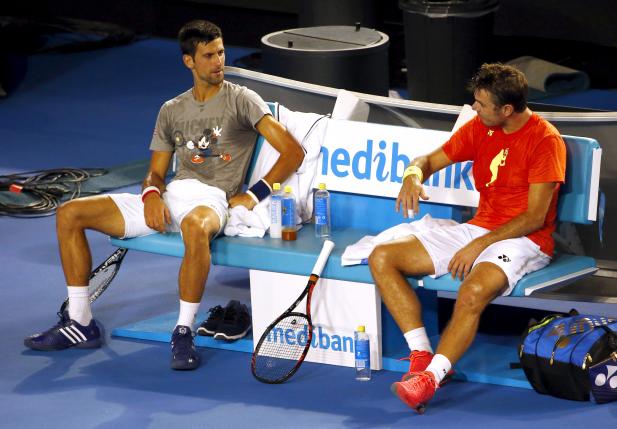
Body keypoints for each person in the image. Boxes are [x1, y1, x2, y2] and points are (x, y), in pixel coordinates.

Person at [24, 20, 304, 370]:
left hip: (212, 199)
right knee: (69, 213)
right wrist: (152, 195)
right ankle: (80, 322)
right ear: (189, 61)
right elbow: (155, 173)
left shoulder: (243, 99)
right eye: (208, 55)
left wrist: (253, 195)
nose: (218, 61)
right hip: (171, 197)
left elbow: (293, 152)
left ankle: (183, 330)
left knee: (196, 227)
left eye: (220, 52)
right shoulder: (172, 109)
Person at [368, 63, 566, 412]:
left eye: (480, 104)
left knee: (472, 290)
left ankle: (430, 380)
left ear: (506, 110)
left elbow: (535, 217)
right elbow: (428, 160)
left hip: (526, 240)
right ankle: (420, 355)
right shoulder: (481, 128)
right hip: (479, 228)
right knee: (382, 257)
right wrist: (413, 175)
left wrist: (479, 244)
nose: (474, 109)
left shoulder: (545, 141)